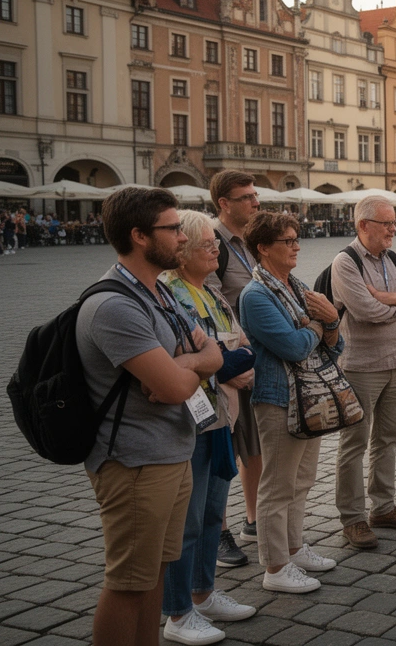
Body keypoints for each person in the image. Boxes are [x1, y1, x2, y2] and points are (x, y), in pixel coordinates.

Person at [79, 187, 223, 646]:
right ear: (139, 236)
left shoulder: (159, 291)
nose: (182, 237)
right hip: (135, 461)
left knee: (155, 574)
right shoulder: (114, 305)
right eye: (173, 228)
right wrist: (186, 366)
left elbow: (214, 354)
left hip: (170, 451)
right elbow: (179, 385)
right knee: (128, 583)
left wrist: (184, 363)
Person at [161, 210, 257, 644]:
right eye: (207, 245)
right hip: (193, 421)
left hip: (221, 416)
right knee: (189, 520)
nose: (216, 249)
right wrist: (224, 362)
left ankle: (204, 593)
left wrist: (224, 361)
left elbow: (238, 347)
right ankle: (178, 612)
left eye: (215, 244)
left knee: (214, 512)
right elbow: (195, 358)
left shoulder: (211, 293)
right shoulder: (173, 297)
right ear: (181, 254)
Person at [240, 212, 341, 593]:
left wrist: (328, 324)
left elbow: (337, 343)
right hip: (279, 397)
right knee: (278, 485)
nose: (297, 245)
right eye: (288, 240)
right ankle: (275, 567)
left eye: (297, 238)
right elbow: (295, 347)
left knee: (302, 480)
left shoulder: (296, 286)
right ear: (264, 248)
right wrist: (321, 324)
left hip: (311, 393)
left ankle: (295, 547)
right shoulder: (256, 295)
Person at [331, 195, 396, 549]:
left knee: (388, 437)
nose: (394, 228)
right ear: (363, 225)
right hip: (360, 366)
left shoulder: (394, 258)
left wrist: (390, 300)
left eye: (394, 222)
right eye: (387, 223)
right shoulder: (345, 262)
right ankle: (353, 518)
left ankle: (384, 506)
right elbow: (364, 311)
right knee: (354, 443)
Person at [205, 170, 261, 564]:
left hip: (256, 360)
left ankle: (254, 519)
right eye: (246, 197)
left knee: (256, 447)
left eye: (255, 196)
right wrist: (231, 361)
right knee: (226, 451)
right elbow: (208, 310)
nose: (255, 203)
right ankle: (219, 531)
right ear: (224, 203)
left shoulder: (250, 242)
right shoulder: (212, 245)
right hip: (229, 365)